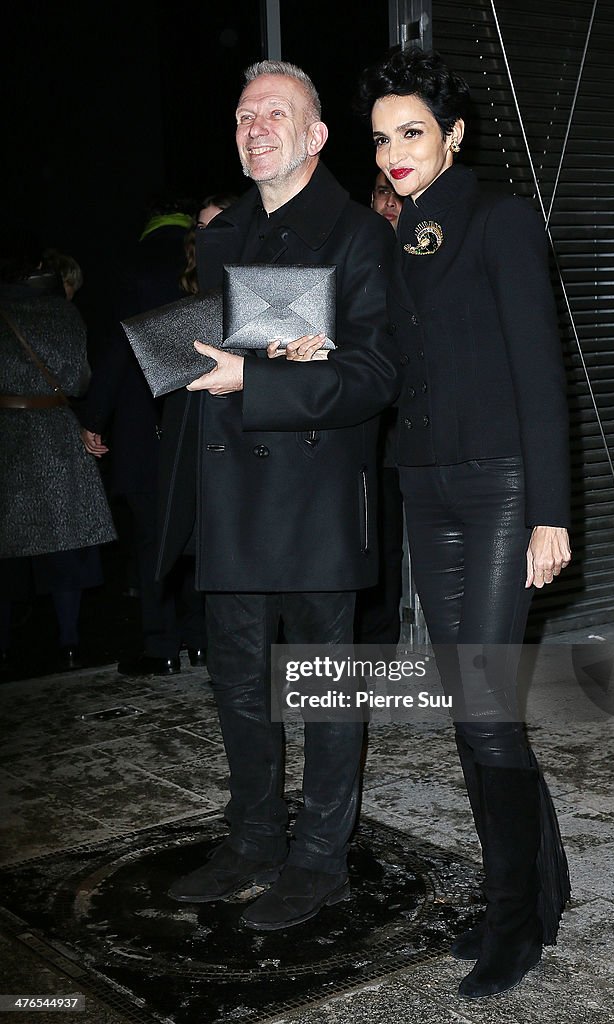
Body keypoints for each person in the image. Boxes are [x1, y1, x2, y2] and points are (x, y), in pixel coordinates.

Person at [157, 60, 399, 930]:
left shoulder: (357, 236)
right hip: (230, 500)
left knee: (327, 691)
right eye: (243, 115)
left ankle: (321, 858)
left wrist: (250, 383)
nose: (254, 127)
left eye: (274, 113)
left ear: (317, 135)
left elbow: (373, 376)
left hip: (314, 500)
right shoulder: (221, 234)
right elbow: (227, 347)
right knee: (237, 685)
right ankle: (254, 835)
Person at [354, 48, 572, 999]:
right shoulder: (389, 237)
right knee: (473, 709)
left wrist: (550, 515)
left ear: (452, 135)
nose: (395, 152)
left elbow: (539, 372)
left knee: (483, 712)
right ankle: (540, 885)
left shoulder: (499, 218)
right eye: (380, 138)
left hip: (498, 490)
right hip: (425, 487)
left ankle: (512, 920)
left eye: (411, 132)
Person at [79, 198, 207, 676]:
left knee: (153, 537)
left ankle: (161, 645)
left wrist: (95, 417)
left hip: (141, 420)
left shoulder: (134, 267)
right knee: (198, 531)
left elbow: (118, 349)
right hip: (201, 415)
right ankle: (200, 639)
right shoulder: (204, 254)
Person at [0, 230, 116, 671]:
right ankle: (68, 640)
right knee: (66, 543)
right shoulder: (62, 313)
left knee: (5, 551)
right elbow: (80, 381)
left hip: (5, 433)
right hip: (54, 431)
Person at [354, 171, 405, 654]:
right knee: (378, 542)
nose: (387, 202)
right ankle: (376, 646)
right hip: (373, 430)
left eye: (396, 194)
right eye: (379, 193)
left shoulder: (422, 257)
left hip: (418, 421)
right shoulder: (358, 258)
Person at [179, 194, 237, 296]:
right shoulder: (189, 275)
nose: (208, 235)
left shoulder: (251, 272)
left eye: (217, 228)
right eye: (202, 228)